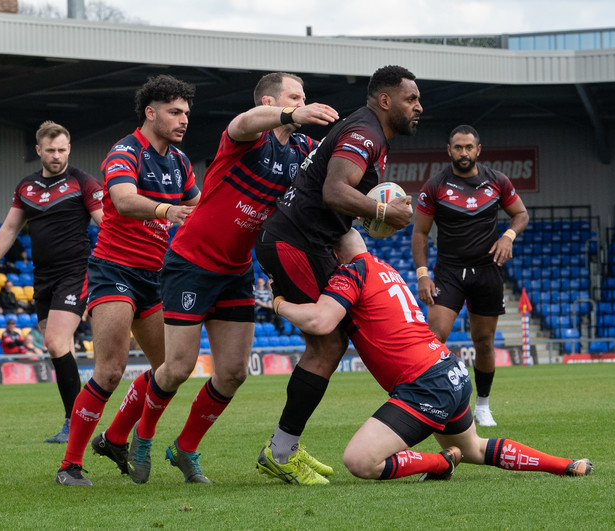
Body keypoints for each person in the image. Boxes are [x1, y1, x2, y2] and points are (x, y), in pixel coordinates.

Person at [104, 72, 339, 486]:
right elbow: (244, 122)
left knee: (233, 372)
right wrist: (290, 112)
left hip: (236, 270)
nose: (303, 103)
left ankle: (186, 448)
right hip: (191, 262)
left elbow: (333, 172)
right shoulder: (250, 135)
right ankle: (141, 436)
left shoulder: (304, 149)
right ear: (271, 101)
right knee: (177, 368)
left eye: (304, 98)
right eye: (293, 97)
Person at [264, 228, 591, 482]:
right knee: (475, 448)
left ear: (333, 253)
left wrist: (276, 301)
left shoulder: (351, 272)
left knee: (360, 461)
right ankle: (565, 465)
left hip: (424, 384)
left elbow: (320, 321)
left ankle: (442, 462)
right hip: (450, 370)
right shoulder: (382, 266)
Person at [253, 65, 419, 484]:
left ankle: (283, 448)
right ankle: (281, 451)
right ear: (385, 101)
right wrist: (382, 211)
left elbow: (337, 207)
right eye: (410, 99)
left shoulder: (368, 134)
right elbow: (333, 191)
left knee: (331, 341)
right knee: (328, 343)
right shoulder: (365, 133)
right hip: (294, 242)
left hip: (309, 242)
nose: (419, 107)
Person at [56, 74, 200, 486]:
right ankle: (70, 465)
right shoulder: (125, 151)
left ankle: (117, 436)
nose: (183, 119)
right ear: (151, 113)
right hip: (114, 271)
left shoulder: (179, 161)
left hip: (155, 276)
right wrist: (167, 212)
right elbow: (121, 199)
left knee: (170, 368)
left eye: (186, 112)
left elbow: (200, 206)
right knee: (110, 370)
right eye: (175, 111)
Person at [0, 120, 103, 443]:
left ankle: (74, 423)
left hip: (75, 273)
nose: (57, 155)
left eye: (62, 150)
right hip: (41, 277)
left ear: (69, 149)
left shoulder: (82, 182)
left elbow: (107, 223)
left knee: (56, 343)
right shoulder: (26, 186)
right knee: (59, 347)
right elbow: (9, 229)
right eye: (51, 150)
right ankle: (81, 415)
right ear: (39, 151)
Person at [412, 125, 529, 427]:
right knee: (435, 337)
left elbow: (521, 214)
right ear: (448, 150)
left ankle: (483, 406)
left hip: (487, 271)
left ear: (478, 150)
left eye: (468, 147)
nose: (463, 152)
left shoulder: (497, 181)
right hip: (448, 271)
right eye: (457, 147)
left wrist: (508, 237)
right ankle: (431, 402)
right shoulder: (434, 186)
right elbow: (420, 232)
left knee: (485, 342)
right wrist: (423, 275)